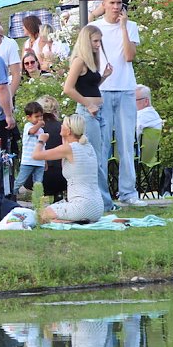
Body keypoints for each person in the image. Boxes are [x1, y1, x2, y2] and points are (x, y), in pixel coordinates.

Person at [91, 0, 143, 207]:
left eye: (119, 3)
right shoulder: (94, 28)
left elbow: (129, 56)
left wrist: (123, 27)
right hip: (102, 90)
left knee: (126, 143)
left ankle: (128, 192)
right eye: (112, 3)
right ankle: (102, 196)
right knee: (101, 145)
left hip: (125, 89)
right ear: (104, 4)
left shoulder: (130, 26)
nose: (116, 7)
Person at [63, 24, 113, 211]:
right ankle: (105, 202)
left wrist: (104, 77)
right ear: (86, 41)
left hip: (98, 112)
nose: (98, 44)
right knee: (95, 158)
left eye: (100, 41)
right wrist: (88, 104)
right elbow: (68, 88)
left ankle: (103, 199)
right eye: (95, 41)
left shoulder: (91, 61)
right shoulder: (79, 61)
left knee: (101, 155)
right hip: (88, 113)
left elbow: (89, 86)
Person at [32, 114, 103, 223]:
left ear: (69, 131)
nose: (61, 126)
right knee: (53, 210)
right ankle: (75, 221)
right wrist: (64, 137)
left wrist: (41, 140)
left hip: (82, 207)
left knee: (40, 215)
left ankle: (68, 222)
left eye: (63, 125)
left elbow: (36, 155)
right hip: (97, 207)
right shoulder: (88, 147)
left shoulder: (68, 149)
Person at [14, 102, 45, 194]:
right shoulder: (28, 126)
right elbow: (32, 131)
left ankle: (37, 199)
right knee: (20, 180)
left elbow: (43, 146)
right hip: (28, 161)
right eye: (37, 116)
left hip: (40, 161)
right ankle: (11, 194)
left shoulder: (41, 130)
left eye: (41, 116)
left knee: (38, 183)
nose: (40, 118)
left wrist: (45, 160)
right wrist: (40, 124)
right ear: (28, 117)